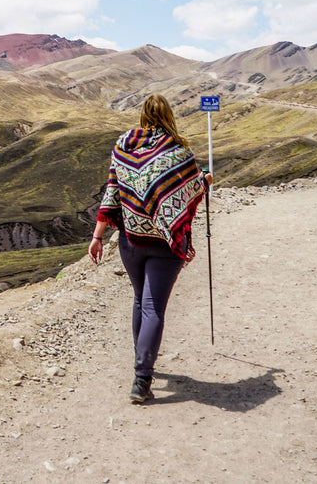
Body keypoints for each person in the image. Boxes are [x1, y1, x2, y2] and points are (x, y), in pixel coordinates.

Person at [88, 94, 212, 404]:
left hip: (130, 240)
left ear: (143, 115)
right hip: (165, 243)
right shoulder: (180, 153)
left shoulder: (123, 149)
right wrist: (205, 181)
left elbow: (112, 193)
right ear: (169, 114)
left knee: (139, 299)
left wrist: (97, 236)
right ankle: (142, 379)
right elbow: (189, 188)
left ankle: (141, 358)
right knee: (153, 306)